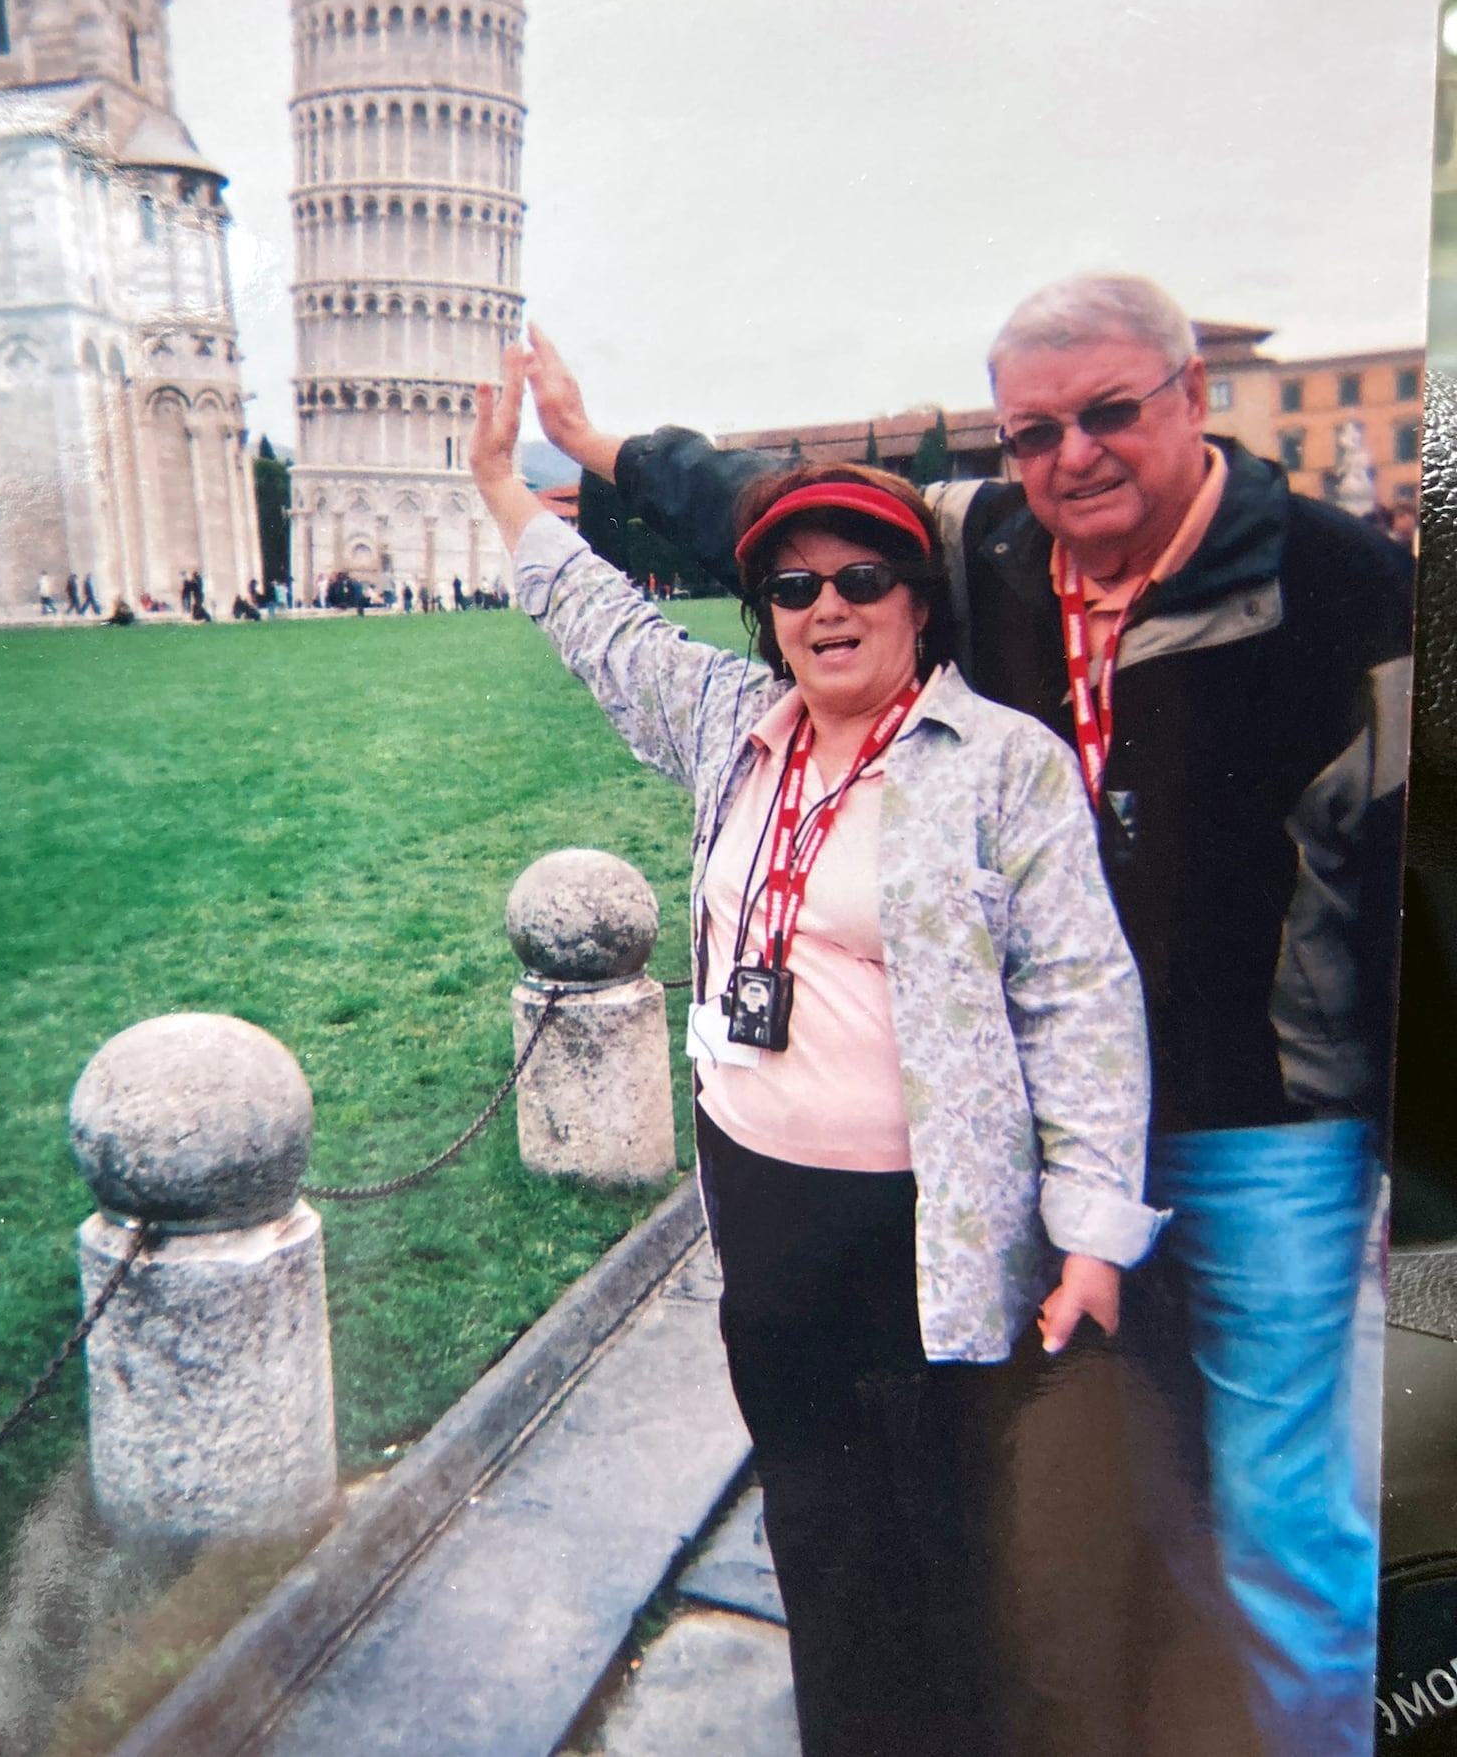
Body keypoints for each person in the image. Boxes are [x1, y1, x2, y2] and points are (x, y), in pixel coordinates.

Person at [525, 278, 1412, 1757]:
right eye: (1034, 429)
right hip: (1010, 1105)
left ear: (1195, 395)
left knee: (1276, 1502)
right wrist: (597, 445)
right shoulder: (988, 541)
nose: (1074, 455)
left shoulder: (1346, 586)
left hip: (1261, 1109)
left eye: (1112, 412)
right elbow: (769, 503)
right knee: (1112, 1475)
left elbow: (1408, 884)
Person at [469, 345, 1159, 1757]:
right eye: (793, 585)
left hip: (933, 1217)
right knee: (817, 1512)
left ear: (919, 601)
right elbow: (604, 627)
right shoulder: (738, 729)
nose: (827, 607)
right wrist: (505, 484)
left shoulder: (999, 761)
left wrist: (1090, 1232)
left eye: (862, 579)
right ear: (764, 610)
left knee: (951, 1538)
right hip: (769, 1200)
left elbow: (1081, 997)